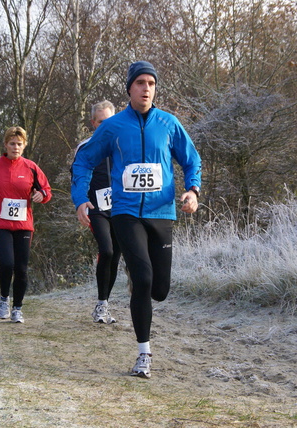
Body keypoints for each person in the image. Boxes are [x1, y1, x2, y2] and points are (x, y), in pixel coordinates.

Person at [71, 61, 202, 378]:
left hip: (161, 214)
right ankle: (144, 354)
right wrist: (80, 200)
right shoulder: (113, 127)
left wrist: (193, 192)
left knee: (159, 289)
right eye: (140, 83)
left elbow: (191, 159)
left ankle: (141, 285)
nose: (146, 88)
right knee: (142, 279)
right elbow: (84, 162)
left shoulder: (168, 124)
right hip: (126, 215)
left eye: (151, 83)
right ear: (129, 88)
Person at [0, 126, 52, 323]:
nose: (15, 147)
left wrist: (40, 195)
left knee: (22, 268)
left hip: (23, 225)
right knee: (7, 263)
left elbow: (47, 190)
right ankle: (3, 299)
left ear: (24, 146)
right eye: (12, 143)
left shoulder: (31, 167)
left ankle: (17, 308)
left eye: (19, 144)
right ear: (5, 145)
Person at [73, 100, 122, 324]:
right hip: (97, 208)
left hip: (121, 208)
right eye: (101, 121)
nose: (105, 125)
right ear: (94, 123)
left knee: (117, 255)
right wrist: (81, 201)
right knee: (107, 251)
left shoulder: (124, 143)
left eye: (109, 120)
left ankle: (104, 303)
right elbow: (78, 177)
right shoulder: (86, 147)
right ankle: (101, 304)